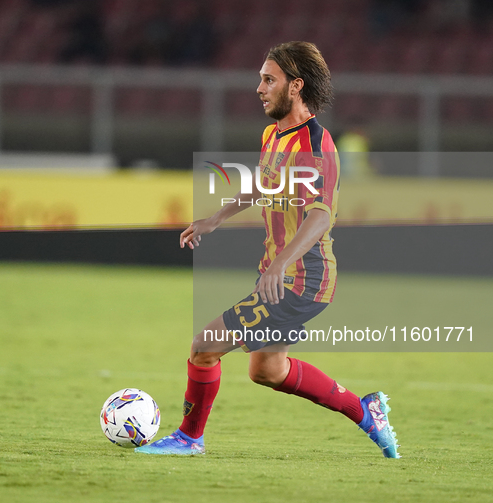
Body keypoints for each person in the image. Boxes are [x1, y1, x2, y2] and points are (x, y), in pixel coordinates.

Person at [136, 41, 400, 459]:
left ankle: (189, 438)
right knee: (268, 370)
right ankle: (365, 411)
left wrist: (281, 262)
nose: (258, 88)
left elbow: (321, 214)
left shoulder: (315, 144)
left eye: (268, 79)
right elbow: (264, 183)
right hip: (281, 274)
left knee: (204, 347)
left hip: (301, 279)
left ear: (295, 86)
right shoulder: (274, 133)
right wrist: (215, 218)